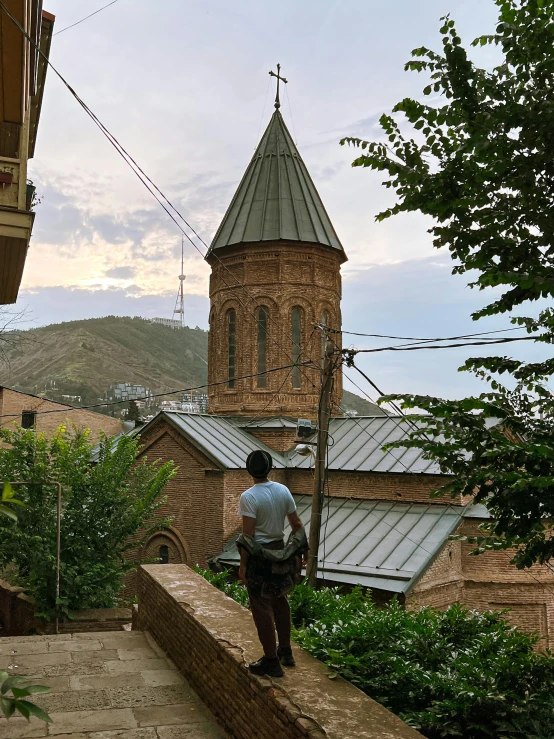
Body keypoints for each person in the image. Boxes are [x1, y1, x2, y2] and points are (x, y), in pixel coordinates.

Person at [237, 449, 305, 678]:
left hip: (260, 558)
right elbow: (296, 524)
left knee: (261, 608)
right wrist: (300, 552)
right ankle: (285, 651)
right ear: (270, 468)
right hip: (280, 551)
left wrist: (243, 566)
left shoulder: (249, 496)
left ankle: (270, 661)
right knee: (279, 600)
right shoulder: (282, 490)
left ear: (250, 471)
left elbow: (248, 536)